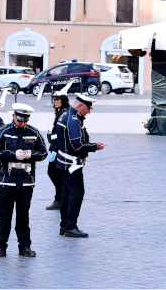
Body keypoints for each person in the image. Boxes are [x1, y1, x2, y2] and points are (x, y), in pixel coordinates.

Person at [0, 103, 47, 258]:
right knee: (5, 216)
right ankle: (0, 247)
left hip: (25, 181)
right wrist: (12, 155)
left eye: (25, 120)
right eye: (20, 120)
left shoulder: (33, 132)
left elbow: (43, 153)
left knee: (23, 216)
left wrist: (30, 155)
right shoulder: (4, 132)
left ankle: (25, 247)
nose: (22, 123)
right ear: (14, 116)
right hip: (6, 181)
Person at [55, 94, 105, 238]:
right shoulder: (73, 119)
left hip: (62, 161)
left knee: (66, 194)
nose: (89, 111)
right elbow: (77, 144)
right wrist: (94, 147)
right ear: (81, 106)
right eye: (88, 108)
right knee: (77, 193)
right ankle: (70, 226)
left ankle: (64, 225)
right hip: (71, 164)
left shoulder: (66, 115)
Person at [45, 93, 69, 210]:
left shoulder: (63, 114)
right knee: (54, 173)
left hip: (58, 149)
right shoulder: (60, 113)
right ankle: (61, 196)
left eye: (58, 99)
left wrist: (55, 150)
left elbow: (61, 135)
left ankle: (59, 199)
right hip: (55, 147)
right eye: (55, 99)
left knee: (55, 174)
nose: (55, 101)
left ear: (63, 101)